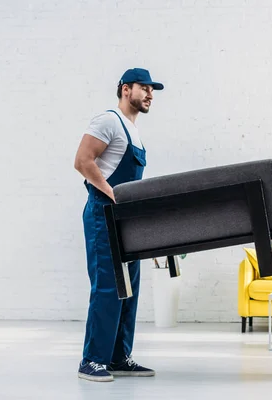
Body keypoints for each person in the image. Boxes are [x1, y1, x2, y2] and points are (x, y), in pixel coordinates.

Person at [73, 68, 164, 382]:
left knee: (130, 290)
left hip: (128, 219)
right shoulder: (109, 120)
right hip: (104, 214)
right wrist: (112, 194)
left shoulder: (133, 130)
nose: (150, 94)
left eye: (153, 89)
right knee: (109, 288)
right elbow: (82, 161)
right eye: (144, 88)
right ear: (126, 89)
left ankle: (117, 357)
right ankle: (92, 361)